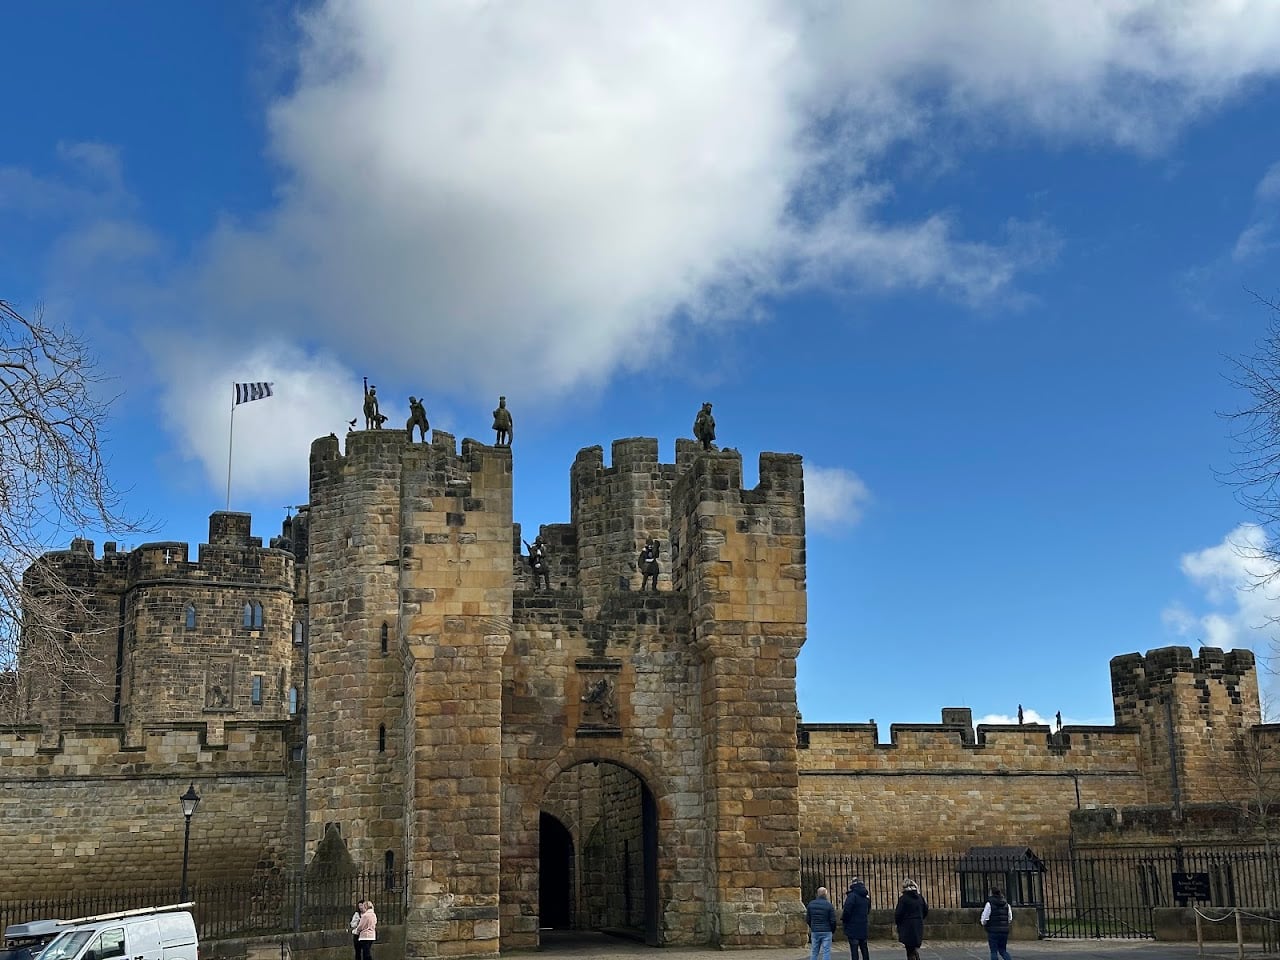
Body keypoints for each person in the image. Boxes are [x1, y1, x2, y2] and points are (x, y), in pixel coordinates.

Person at [893, 879, 928, 960]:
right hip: (918, 925)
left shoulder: (903, 899)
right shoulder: (920, 898)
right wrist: (919, 918)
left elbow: (898, 914)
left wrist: (899, 924)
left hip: (907, 927)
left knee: (910, 950)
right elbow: (925, 910)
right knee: (913, 949)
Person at [841, 876, 871, 960]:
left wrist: (845, 920)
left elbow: (847, 910)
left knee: (854, 949)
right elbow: (868, 910)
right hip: (863, 925)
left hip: (852, 925)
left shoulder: (852, 896)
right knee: (864, 947)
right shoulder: (866, 897)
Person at [981, 887, 1014, 960]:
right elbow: (1010, 918)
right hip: (1004, 931)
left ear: (991, 893)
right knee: (1003, 951)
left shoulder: (989, 904)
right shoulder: (1006, 904)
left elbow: (985, 917)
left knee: (994, 951)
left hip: (993, 930)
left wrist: (984, 924)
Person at [806, 886, 838, 960]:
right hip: (827, 930)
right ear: (825, 894)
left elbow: (808, 919)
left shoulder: (811, 904)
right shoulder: (829, 905)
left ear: (817, 894)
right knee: (826, 951)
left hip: (815, 931)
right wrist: (832, 930)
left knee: (814, 951)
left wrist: (812, 926)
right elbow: (833, 920)